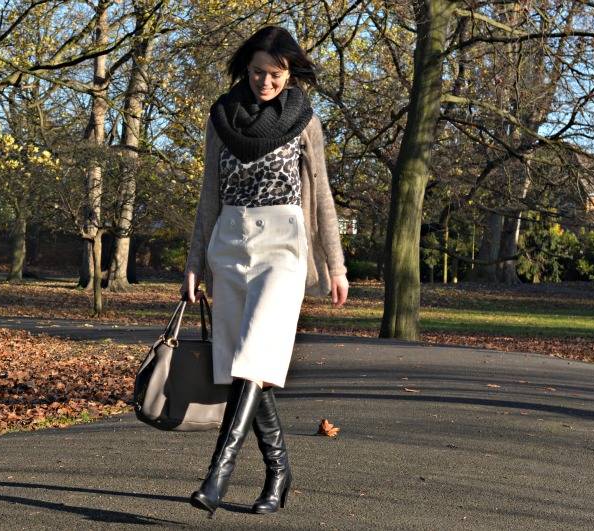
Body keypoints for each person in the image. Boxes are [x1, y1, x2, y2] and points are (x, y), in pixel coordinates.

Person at [180, 25, 349, 517]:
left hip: (284, 244)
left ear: (290, 72)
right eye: (257, 72)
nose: (265, 82)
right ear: (245, 69)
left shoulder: (305, 121)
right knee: (243, 366)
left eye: (275, 74)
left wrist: (335, 266)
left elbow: (324, 203)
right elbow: (208, 196)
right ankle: (279, 472)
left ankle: (217, 475)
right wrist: (194, 263)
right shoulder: (220, 118)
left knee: (255, 355)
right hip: (229, 242)